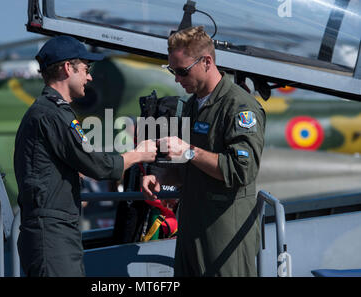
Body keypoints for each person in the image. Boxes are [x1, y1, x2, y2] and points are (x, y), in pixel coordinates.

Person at [14, 35, 157, 277]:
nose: (89, 77)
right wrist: (138, 154)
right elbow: (97, 165)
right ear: (67, 68)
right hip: (52, 236)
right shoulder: (52, 114)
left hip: (55, 232)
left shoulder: (48, 112)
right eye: (85, 69)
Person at [142, 26, 266, 276]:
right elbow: (192, 168)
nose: (177, 79)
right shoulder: (193, 105)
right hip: (191, 232)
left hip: (223, 238)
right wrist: (163, 179)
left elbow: (242, 171)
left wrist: (188, 151)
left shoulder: (239, 107)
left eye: (182, 71)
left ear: (207, 62)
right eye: (172, 71)